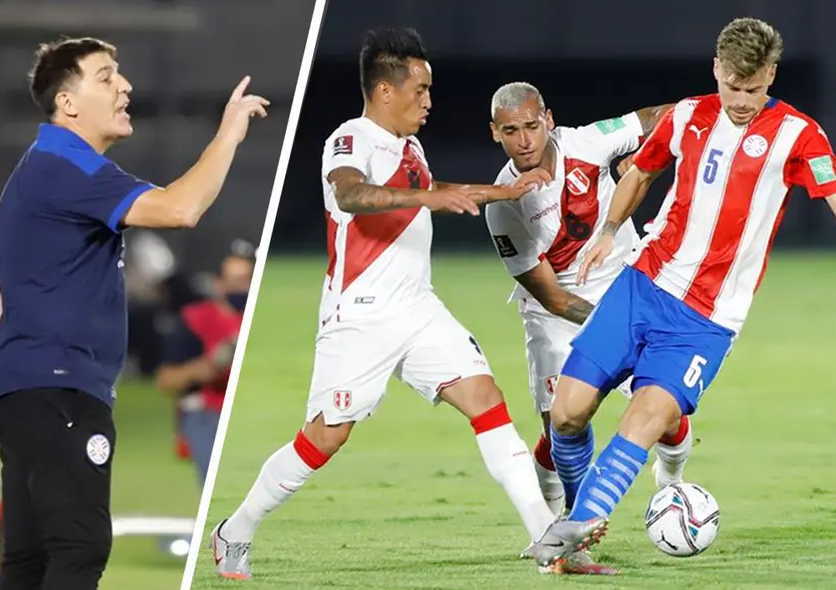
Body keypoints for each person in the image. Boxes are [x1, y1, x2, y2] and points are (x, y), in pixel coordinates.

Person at [208, 28, 600, 580]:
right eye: (420, 88)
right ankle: (235, 530)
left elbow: (430, 186)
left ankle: (544, 537)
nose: (429, 100)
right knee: (326, 436)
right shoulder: (352, 138)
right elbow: (351, 193)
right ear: (385, 90)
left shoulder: (409, 146)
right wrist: (429, 197)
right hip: (361, 314)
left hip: (418, 309)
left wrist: (500, 193)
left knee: (486, 399)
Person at [528, 17, 836, 570]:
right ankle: (577, 529)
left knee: (647, 417)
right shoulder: (685, 116)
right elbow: (641, 173)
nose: (742, 100)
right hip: (643, 285)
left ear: (771, 75)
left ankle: (577, 526)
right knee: (567, 414)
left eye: (754, 88)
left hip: (708, 318)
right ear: (717, 70)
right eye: (733, 87)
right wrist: (608, 231)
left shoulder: (799, 134)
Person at [0, 36, 269, 590]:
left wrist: (21, 364)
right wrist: (229, 132)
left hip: (26, 388)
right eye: (106, 77)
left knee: (29, 560)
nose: (125, 86)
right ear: (68, 103)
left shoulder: (39, 168)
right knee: (79, 546)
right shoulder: (67, 164)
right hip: (61, 388)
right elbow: (181, 209)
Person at [484, 83, 689, 535]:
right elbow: (551, 298)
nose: (525, 141)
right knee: (562, 425)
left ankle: (672, 482)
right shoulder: (503, 205)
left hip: (624, 285)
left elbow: (657, 115)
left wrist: (707, 114)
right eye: (512, 131)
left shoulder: (589, 142)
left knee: (668, 410)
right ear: (496, 133)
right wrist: (610, 328)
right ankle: (565, 523)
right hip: (555, 312)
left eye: (532, 127)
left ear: (549, 121)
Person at [156, 243, 256, 486]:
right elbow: (166, 380)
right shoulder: (197, 319)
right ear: (218, 282)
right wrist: (213, 363)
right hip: (208, 410)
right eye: (230, 279)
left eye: (243, 279)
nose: (236, 287)